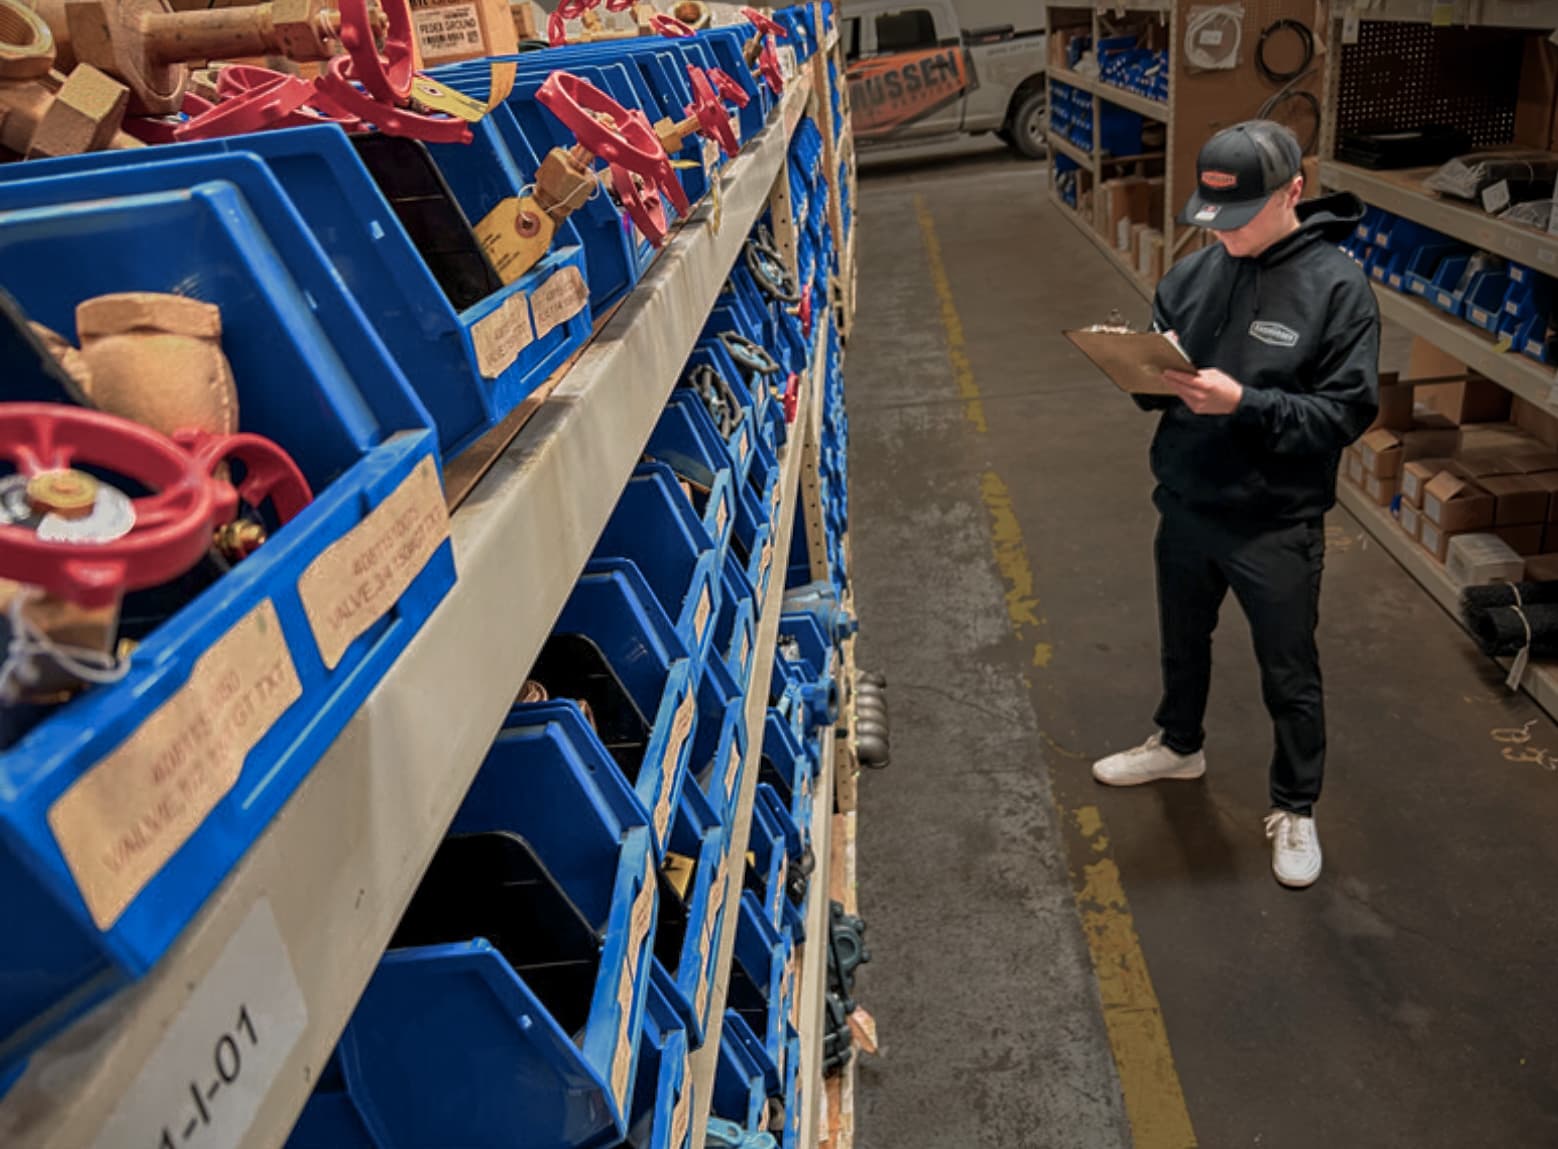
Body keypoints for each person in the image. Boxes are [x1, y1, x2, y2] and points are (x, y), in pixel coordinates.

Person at [1091, 120, 1379, 889]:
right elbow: (1166, 385)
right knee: (1182, 642)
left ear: (1293, 192)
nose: (1224, 234)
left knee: (1289, 672)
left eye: (1241, 216)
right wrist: (1141, 372)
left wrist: (1244, 403)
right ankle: (1178, 745)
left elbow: (1344, 414)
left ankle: (1295, 804)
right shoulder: (1193, 274)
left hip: (1274, 521)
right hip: (1187, 504)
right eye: (1212, 218)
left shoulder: (1337, 288)